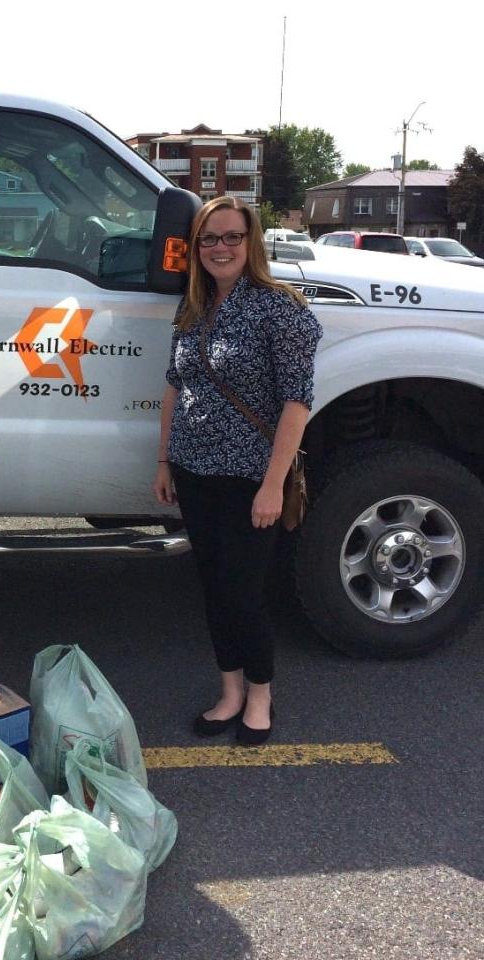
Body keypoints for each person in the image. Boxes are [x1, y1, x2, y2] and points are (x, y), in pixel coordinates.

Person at [152, 196, 322, 746]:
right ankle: (228, 691)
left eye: (231, 237)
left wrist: (273, 485)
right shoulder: (194, 307)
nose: (220, 248)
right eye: (209, 239)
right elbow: (175, 388)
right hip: (194, 472)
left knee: (244, 592)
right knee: (212, 588)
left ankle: (260, 694)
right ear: (195, 249)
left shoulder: (280, 308)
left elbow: (297, 403)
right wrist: (163, 459)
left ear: (252, 244)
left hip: (252, 478)